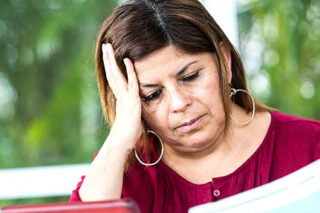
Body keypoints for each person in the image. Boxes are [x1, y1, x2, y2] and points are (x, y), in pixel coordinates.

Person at [69, 0, 320, 212]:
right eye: (153, 95)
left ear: (224, 59)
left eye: (190, 77)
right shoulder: (122, 173)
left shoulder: (311, 146)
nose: (179, 103)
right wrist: (119, 140)